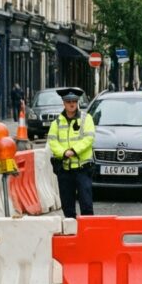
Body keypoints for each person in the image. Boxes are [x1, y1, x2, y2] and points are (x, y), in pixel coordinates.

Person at [46, 87, 95, 219]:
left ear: (78, 102)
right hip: (65, 169)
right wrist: (63, 153)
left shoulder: (87, 118)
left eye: (74, 101)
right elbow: (52, 141)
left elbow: (89, 138)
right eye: (68, 101)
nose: (71, 103)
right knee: (67, 206)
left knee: (86, 204)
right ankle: (72, 235)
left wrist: (73, 151)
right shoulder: (57, 122)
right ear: (63, 103)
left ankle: (87, 234)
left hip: (82, 169)